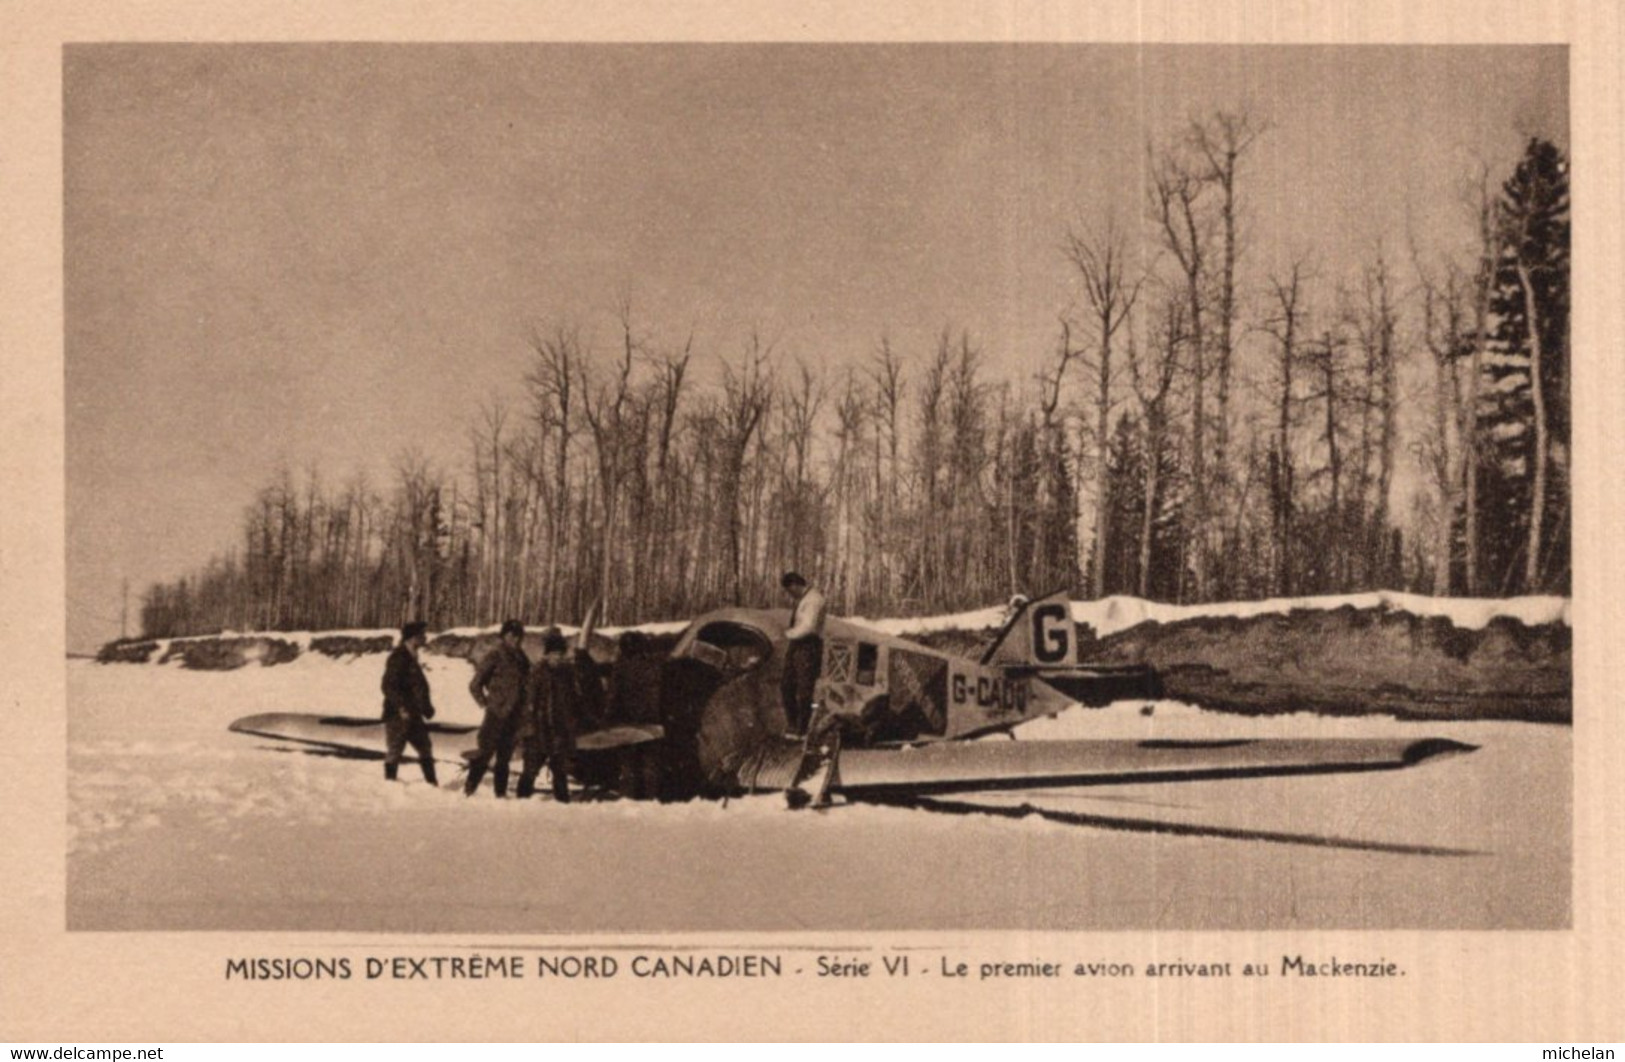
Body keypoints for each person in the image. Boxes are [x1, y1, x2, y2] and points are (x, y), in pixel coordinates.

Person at [516, 626, 603, 802]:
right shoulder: (537, 674)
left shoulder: (567, 675)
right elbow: (528, 704)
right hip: (538, 731)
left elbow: (576, 701)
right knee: (530, 771)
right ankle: (520, 803)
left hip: (560, 732)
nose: (557, 658)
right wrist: (528, 728)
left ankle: (563, 806)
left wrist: (590, 719)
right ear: (547, 655)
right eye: (554, 654)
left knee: (560, 772)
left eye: (560, 654)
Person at [463, 619, 530, 797]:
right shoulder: (495, 655)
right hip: (496, 715)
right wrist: (486, 703)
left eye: (518, 636)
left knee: (504, 758)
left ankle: (500, 795)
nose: (515, 640)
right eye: (511, 636)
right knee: (484, 755)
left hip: (515, 716)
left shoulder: (522, 658)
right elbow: (475, 684)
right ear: (504, 636)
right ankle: (468, 791)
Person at [381, 620, 438, 785]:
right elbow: (388, 685)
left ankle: (432, 784)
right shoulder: (398, 657)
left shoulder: (412, 657)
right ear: (412, 637)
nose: (425, 638)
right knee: (395, 749)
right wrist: (401, 706)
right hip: (399, 714)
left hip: (414, 713)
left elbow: (419, 687)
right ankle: (389, 784)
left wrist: (426, 707)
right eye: (422, 635)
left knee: (425, 747)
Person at [779, 571, 826, 737]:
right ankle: (793, 724)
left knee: (804, 688)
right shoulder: (803, 599)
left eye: (790, 590)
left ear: (795, 585)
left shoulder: (813, 600)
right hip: (797, 644)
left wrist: (788, 634)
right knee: (787, 685)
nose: (790, 594)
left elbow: (809, 626)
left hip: (808, 645)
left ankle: (802, 728)